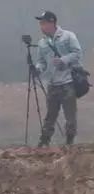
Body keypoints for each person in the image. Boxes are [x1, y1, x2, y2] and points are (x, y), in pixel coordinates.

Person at [34, 11, 83, 147]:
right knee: (50, 116)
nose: (41, 26)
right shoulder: (42, 43)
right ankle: (44, 141)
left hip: (68, 82)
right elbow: (41, 62)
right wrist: (37, 69)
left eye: (43, 23)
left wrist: (63, 60)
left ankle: (69, 142)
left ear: (52, 23)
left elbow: (77, 53)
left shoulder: (68, 36)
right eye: (40, 24)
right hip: (52, 83)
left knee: (70, 116)